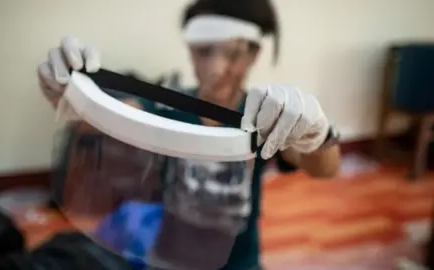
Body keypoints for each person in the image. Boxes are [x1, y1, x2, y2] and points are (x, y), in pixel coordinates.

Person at [38, 0, 341, 269]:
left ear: (253, 54)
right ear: (190, 49)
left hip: (238, 262)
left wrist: (316, 135)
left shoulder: (267, 118)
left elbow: (325, 168)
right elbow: (111, 114)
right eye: (204, 51)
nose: (215, 68)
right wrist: (73, 96)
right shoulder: (168, 106)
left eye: (233, 53)